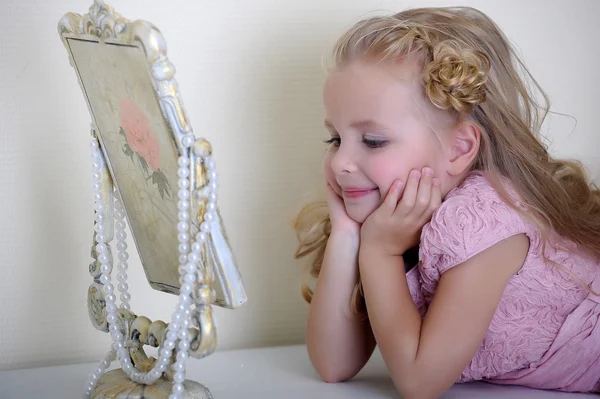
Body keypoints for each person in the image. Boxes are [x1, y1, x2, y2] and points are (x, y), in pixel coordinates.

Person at [292, 6, 600, 399]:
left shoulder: (482, 218)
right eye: (335, 139)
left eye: (373, 141)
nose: (339, 162)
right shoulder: (394, 219)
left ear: (459, 148)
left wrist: (380, 253)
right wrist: (346, 235)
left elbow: (419, 382)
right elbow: (334, 365)